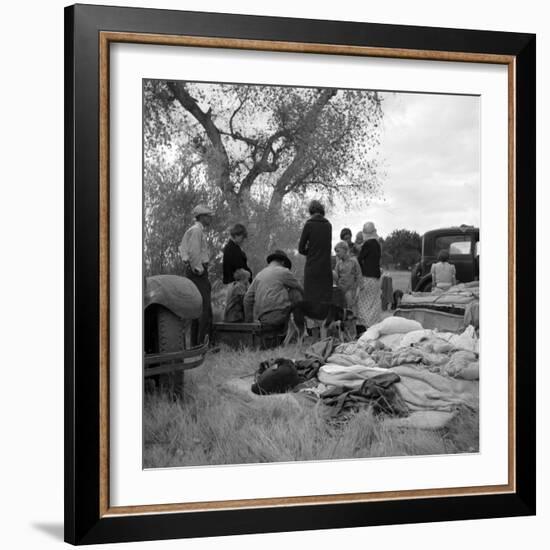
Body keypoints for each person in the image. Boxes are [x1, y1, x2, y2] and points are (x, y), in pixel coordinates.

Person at [179, 204, 214, 345]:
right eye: (207, 216)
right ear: (201, 217)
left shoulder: (195, 230)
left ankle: (195, 343)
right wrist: (198, 269)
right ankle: (202, 344)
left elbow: (183, 249)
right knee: (204, 309)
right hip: (198, 273)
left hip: (196, 272)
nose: (210, 218)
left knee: (197, 308)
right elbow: (193, 252)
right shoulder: (196, 231)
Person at [244, 250, 303, 327]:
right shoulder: (284, 271)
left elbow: (247, 299)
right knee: (295, 291)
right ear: (283, 262)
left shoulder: (259, 275)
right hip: (279, 316)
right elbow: (300, 288)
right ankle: (300, 326)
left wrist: (249, 322)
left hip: (263, 319)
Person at [298, 200, 333, 304]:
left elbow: (301, 248)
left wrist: (310, 251)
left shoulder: (309, 224)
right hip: (326, 268)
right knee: (324, 298)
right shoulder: (328, 225)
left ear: (311, 211)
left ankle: (311, 319)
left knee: (311, 298)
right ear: (322, 211)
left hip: (312, 267)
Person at [356, 221, 382, 329]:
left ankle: (365, 325)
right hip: (376, 277)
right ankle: (374, 325)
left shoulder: (367, 244)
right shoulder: (377, 244)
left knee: (363, 302)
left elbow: (359, 259)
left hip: (367, 276)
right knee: (374, 302)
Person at [333, 241, 361, 313]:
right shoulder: (339, 263)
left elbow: (358, 276)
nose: (337, 254)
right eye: (336, 252)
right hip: (341, 291)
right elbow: (336, 276)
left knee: (351, 311)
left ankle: (352, 323)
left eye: (338, 251)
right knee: (342, 311)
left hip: (351, 290)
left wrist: (357, 292)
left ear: (345, 250)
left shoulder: (353, 261)